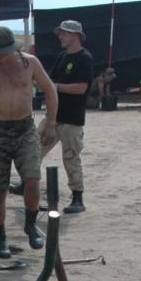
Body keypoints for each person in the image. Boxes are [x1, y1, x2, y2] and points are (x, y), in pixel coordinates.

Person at [0, 26, 58, 257]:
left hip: (24, 128)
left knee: (32, 179)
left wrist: (51, 122)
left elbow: (50, 89)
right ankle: (0, 238)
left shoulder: (30, 63)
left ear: (13, 49)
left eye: (3, 52)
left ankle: (30, 224)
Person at [47, 19, 92, 213]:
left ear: (74, 35)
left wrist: (56, 87)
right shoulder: (62, 57)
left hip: (72, 118)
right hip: (53, 116)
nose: (60, 36)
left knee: (71, 158)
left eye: (63, 33)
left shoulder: (85, 58)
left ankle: (77, 198)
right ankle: (27, 186)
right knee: (34, 151)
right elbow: (50, 80)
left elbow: (81, 88)